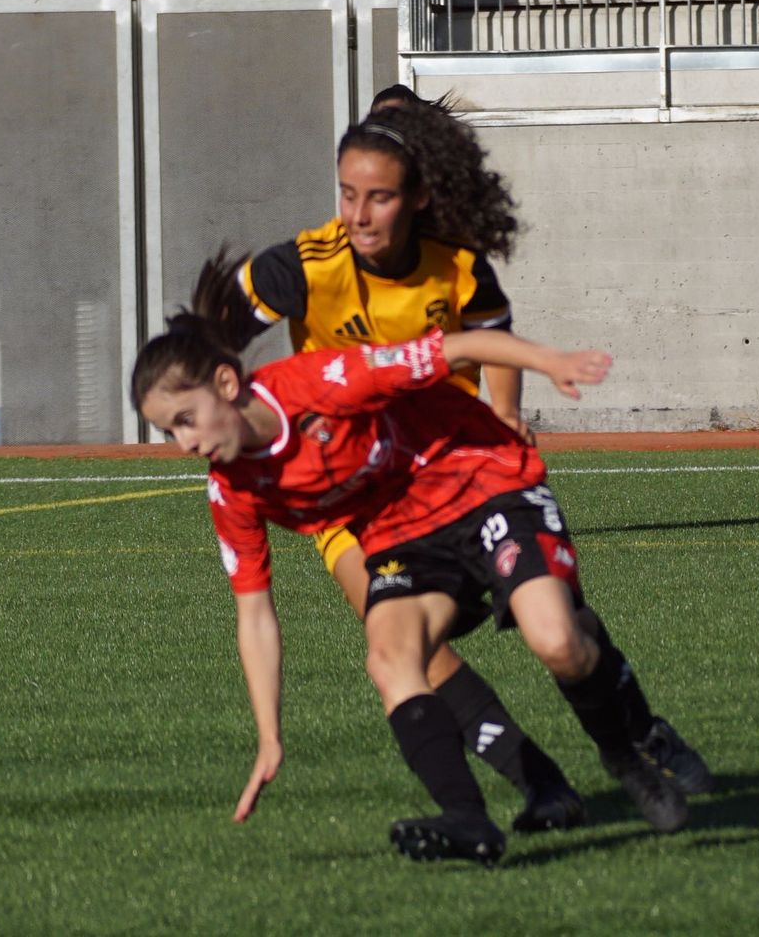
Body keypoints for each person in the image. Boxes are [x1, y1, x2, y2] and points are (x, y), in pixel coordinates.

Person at [132, 251, 695, 866]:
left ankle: (619, 754)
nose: (184, 443)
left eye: (185, 421)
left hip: (478, 475)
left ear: (226, 384)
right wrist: (268, 736)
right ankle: (467, 818)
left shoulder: (323, 382)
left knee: (558, 641)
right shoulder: (231, 487)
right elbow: (255, 615)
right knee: (390, 659)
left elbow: (452, 349)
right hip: (401, 528)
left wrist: (549, 361)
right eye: (169, 432)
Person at [230, 102, 714, 815]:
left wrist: (509, 413)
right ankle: (537, 781)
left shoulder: (453, 264)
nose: (359, 215)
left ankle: (638, 730)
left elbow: (490, 337)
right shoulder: (300, 268)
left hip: (463, 469)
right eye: (347, 193)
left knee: (561, 635)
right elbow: (211, 349)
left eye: (379, 196)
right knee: (399, 647)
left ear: (419, 193)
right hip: (360, 500)